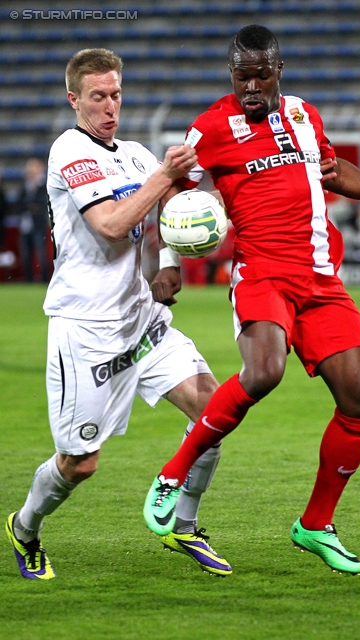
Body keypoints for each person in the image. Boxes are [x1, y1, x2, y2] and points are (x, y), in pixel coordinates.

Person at [144, 25, 360, 575]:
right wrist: (170, 262)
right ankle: (172, 474)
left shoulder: (304, 117)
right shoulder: (211, 127)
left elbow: (335, 174)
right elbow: (169, 186)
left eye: (261, 75)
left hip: (319, 277)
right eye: (242, 77)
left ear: (279, 71)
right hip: (263, 274)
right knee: (263, 372)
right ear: (231, 75)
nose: (251, 87)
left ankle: (315, 524)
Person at [5, 48, 232, 580]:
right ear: (74, 100)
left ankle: (183, 523)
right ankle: (25, 526)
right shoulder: (69, 151)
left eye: (116, 95)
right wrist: (162, 175)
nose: (110, 107)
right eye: (98, 97)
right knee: (80, 464)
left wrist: (170, 263)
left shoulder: (132, 154)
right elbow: (109, 224)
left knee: (215, 414)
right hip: (86, 330)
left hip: (141, 319)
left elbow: (164, 211)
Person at [16, 158, 51, 283]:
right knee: (26, 253)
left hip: (39, 224)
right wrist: (30, 206)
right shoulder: (25, 184)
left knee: (41, 253)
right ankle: (28, 279)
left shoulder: (44, 184)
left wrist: (30, 206)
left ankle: (44, 279)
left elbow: (42, 203)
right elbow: (20, 203)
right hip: (25, 223)